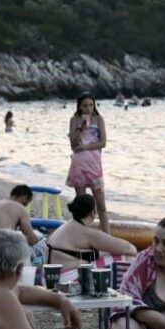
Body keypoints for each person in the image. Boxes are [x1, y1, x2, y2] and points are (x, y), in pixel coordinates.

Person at [46, 193, 138, 270]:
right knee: (127, 259)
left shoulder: (67, 226)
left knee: (102, 255)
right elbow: (130, 249)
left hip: (48, 274)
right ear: (92, 213)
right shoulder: (85, 232)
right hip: (63, 277)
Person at [66, 96, 109, 233]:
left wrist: (85, 147)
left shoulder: (98, 119)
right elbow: (73, 145)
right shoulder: (74, 120)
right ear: (79, 106)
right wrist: (80, 128)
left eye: (91, 105)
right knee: (81, 206)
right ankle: (81, 234)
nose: (88, 108)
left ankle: (107, 236)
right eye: (85, 105)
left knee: (101, 205)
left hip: (94, 165)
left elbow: (103, 143)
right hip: (79, 165)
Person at [0, 184, 44, 249]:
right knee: (40, 245)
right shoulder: (20, 208)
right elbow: (32, 240)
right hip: (1, 252)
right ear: (24, 198)